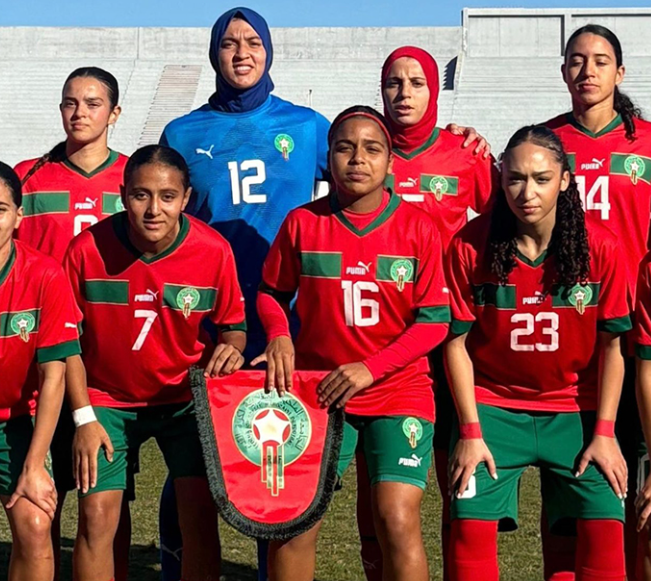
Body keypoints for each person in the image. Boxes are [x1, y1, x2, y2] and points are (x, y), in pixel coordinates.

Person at [159, 8, 330, 578]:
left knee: (273, 460)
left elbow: (370, 167)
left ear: (269, 50)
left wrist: (457, 138)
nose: (241, 53)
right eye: (229, 43)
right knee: (197, 458)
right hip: (211, 320)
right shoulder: (182, 133)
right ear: (213, 53)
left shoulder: (307, 125)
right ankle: (178, 564)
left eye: (252, 42)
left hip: (286, 321)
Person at [255, 105, 450, 581]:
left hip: (398, 390)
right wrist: (279, 334)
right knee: (295, 524)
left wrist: (371, 367)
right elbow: (270, 293)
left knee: (396, 518)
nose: (358, 158)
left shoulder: (418, 227)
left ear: (390, 162)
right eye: (345, 147)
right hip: (319, 392)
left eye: (372, 149)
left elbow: (433, 322)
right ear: (329, 158)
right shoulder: (303, 223)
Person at [445, 125, 630, 581]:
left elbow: (613, 347)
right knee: (467, 536)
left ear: (564, 180)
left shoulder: (601, 246)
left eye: (541, 179)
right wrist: (470, 431)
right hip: (492, 410)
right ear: (500, 179)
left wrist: (605, 432)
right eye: (515, 179)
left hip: (576, 412)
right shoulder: (469, 245)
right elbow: (455, 344)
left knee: (606, 536)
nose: (527, 193)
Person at [63, 145, 246, 581]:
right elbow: (64, 343)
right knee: (95, 518)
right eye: (141, 195)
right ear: (123, 194)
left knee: (198, 517)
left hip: (185, 403)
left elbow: (233, 327)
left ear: (186, 198)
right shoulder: (86, 250)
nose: (153, 209)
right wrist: (84, 416)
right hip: (107, 402)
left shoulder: (213, 250)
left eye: (167, 196)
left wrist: (233, 348)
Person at [354, 45, 498, 581]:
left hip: (453, 334)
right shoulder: (364, 151)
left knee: (456, 471)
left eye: (417, 83)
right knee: (378, 482)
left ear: (435, 90)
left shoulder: (465, 153)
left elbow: (498, 227)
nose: (405, 93)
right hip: (383, 337)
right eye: (394, 82)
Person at [13, 66, 131, 581]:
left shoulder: (133, 178)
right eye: (70, 102)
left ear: (114, 113)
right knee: (44, 493)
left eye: (92, 102)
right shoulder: (28, 176)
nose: (79, 112)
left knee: (104, 497)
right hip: (40, 355)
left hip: (104, 354)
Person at [543, 25, 651, 580]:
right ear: (564, 71)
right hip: (572, 338)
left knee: (638, 485)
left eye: (601, 60)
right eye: (577, 60)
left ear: (620, 72)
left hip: (639, 338)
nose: (588, 70)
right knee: (572, 491)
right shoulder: (545, 142)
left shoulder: (647, 143)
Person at [0, 161, 81, 581]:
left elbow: (54, 376)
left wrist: (33, 466)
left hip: (13, 423)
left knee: (35, 524)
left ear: (19, 216)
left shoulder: (45, 274)